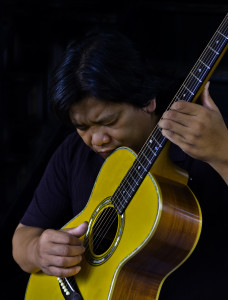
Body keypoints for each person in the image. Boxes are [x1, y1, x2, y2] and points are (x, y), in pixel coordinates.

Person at [12, 31, 228, 299]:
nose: (96, 139)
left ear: (148, 100)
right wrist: (38, 251)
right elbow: (23, 240)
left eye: (109, 122)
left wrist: (223, 154)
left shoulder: (205, 144)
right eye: (82, 127)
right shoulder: (73, 151)